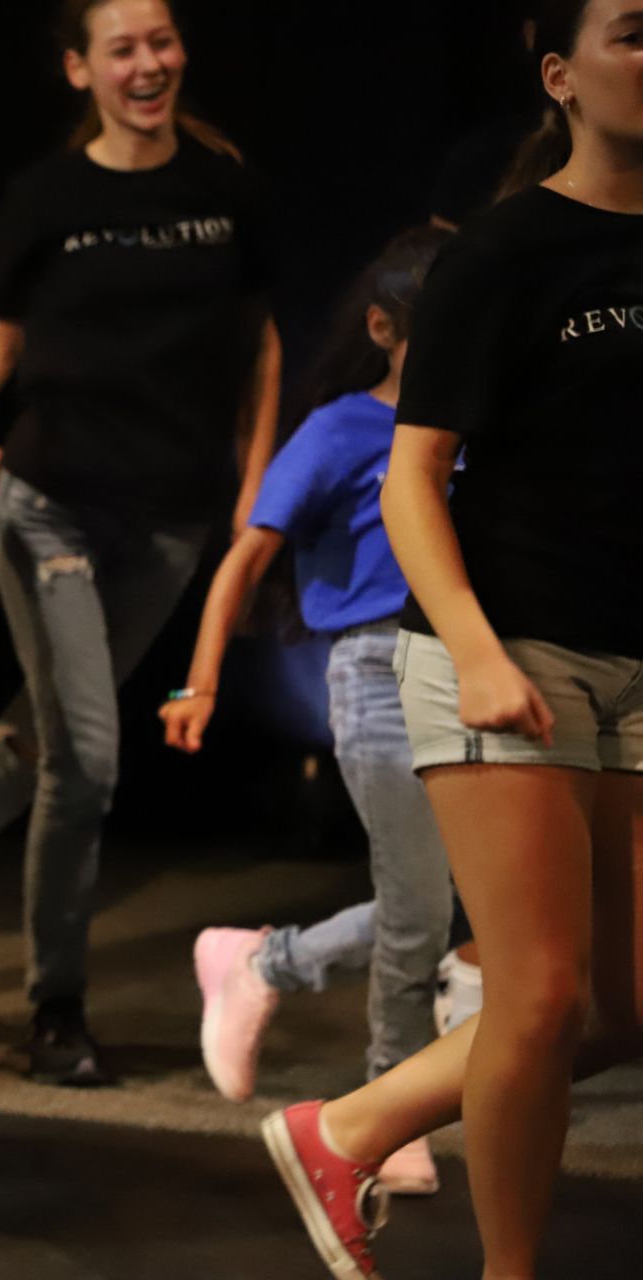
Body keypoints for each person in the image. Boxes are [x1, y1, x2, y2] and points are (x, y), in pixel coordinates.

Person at [0, 0, 282, 1085]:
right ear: (80, 68)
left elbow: (260, 347)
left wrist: (256, 499)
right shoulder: (49, 198)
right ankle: (57, 1007)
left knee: (36, 745)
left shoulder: (223, 191)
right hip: (51, 509)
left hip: (169, 523)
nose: (148, 63)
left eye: (162, 40)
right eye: (121, 48)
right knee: (84, 757)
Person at [262, 3, 643, 1276]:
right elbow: (412, 479)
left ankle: (352, 1124)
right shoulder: (506, 251)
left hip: (635, 659)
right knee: (537, 995)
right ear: (561, 77)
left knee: (621, 1009)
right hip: (506, 650)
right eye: (634, 30)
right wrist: (478, 649)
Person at [158, 225, 454, 1196]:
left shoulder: (473, 430)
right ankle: (385, 1102)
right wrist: (199, 682)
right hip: (373, 670)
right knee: (418, 905)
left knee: (462, 903)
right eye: (434, 329)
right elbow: (246, 554)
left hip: (470, 670)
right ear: (384, 328)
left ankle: (265, 965)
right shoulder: (341, 429)